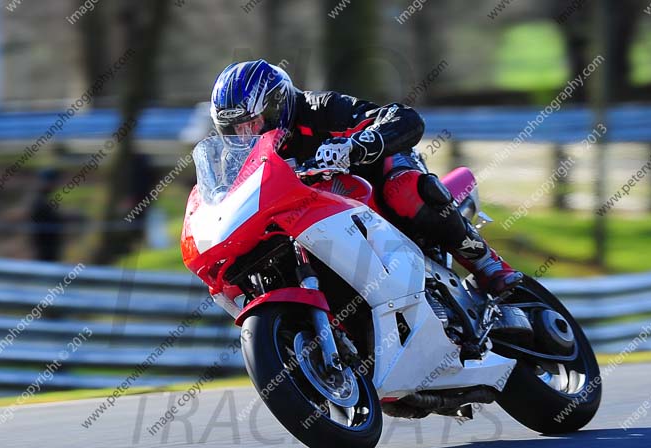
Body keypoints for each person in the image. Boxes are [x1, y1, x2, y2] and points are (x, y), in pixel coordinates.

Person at [209, 60, 522, 295]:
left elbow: (404, 117)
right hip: (312, 215)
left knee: (404, 189)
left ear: (279, 104)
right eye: (234, 128)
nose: (245, 133)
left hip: (371, 177)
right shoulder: (235, 159)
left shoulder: (319, 108)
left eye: (253, 122)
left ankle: (487, 263)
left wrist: (357, 146)